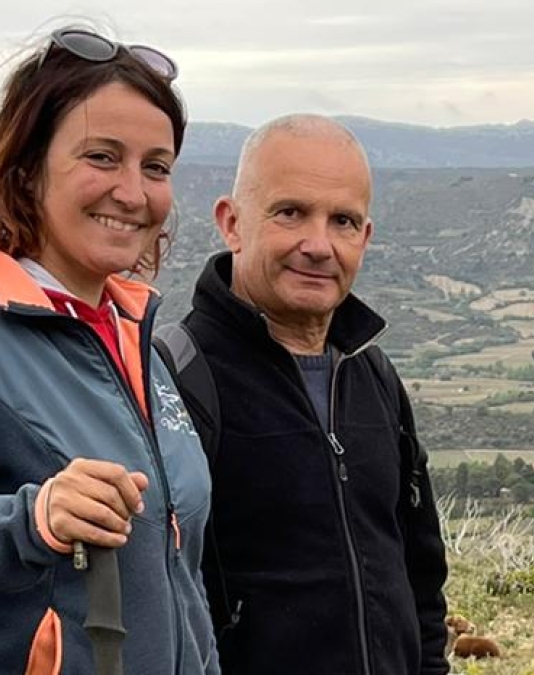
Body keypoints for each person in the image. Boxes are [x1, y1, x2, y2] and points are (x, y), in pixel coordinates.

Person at [169, 114, 449, 675]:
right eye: (290, 213)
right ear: (232, 222)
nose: (318, 245)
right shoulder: (179, 378)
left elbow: (418, 567)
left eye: (343, 221)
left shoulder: (373, 374)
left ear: (364, 238)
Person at [0, 25, 218, 674]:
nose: (133, 192)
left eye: (156, 167)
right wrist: (30, 520)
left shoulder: (135, 337)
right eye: (102, 156)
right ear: (26, 169)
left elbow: (181, 571)